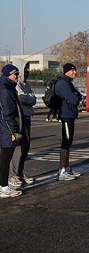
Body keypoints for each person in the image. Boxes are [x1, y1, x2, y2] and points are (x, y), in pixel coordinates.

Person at [8, 59, 36, 187]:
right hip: (20, 118)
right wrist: (29, 98)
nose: (28, 70)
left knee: (26, 146)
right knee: (18, 147)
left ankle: (19, 172)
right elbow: (22, 97)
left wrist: (29, 98)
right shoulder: (16, 84)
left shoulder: (26, 84)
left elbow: (33, 98)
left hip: (28, 117)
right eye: (26, 68)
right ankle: (12, 174)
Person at [0, 64, 26, 198]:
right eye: (16, 74)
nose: (18, 76)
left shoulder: (8, 87)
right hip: (7, 129)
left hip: (6, 128)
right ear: (8, 75)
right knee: (5, 158)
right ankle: (3, 187)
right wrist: (13, 131)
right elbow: (6, 113)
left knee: (5, 158)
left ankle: (3, 186)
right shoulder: (5, 89)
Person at [55, 63, 82, 181]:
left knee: (69, 141)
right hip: (66, 115)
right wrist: (76, 96)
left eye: (75, 70)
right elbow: (74, 99)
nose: (74, 72)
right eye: (72, 70)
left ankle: (67, 167)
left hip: (69, 115)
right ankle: (62, 171)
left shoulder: (67, 83)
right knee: (66, 142)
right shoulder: (62, 83)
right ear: (66, 71)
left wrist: (76, 96)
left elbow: (79, 96)